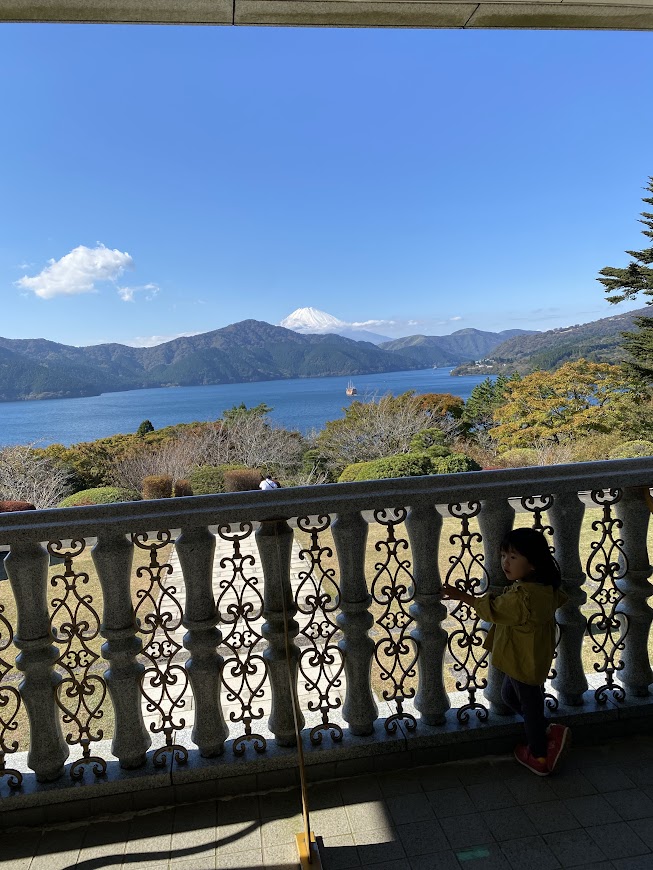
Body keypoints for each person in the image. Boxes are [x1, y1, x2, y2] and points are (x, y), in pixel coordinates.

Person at [441, 527, 571, 776]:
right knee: (512, 696)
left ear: (532, 563)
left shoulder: (523, 598)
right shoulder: (544, 588)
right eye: (503, 555)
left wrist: (461, 596)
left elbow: (493, 609)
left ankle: (540, 755)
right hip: (531, 658)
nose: (505, 562)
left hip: (521, 660)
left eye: (513, 557)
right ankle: (545, 732)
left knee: (529, 705)